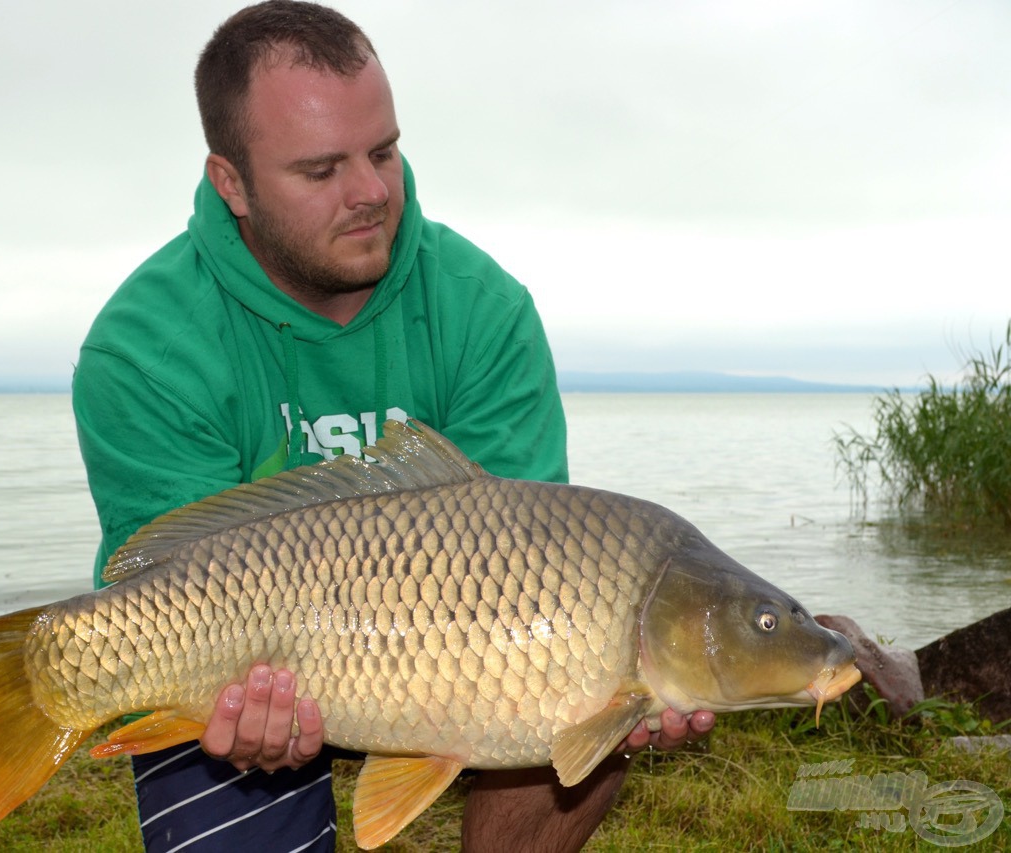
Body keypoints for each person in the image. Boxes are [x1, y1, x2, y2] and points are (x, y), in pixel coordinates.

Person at [72, 2, 714, 850]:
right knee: (229, 772)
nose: (372, 192)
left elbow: (538, 566)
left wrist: (616, 680)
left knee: (581, 703)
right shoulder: (145, 349)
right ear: (232, 182)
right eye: (321, 169)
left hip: (463, 659)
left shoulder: (481, 309)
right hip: (250, 681)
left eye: (384, 151)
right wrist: (220, 691)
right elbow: (162, 576)